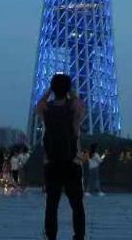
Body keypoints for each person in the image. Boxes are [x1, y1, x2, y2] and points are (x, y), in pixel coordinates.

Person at [37, 73, 86, 240]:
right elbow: (80, 105)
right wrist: (71, 92)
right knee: (77, 205)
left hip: (51, 163)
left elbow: (39, 105)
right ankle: (78, 236)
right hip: (72, 162)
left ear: (52, 88)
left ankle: (51, 237)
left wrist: (49, 91)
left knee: (51, 205)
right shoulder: (73, 108)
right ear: (68, 88)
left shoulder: (46, 109)